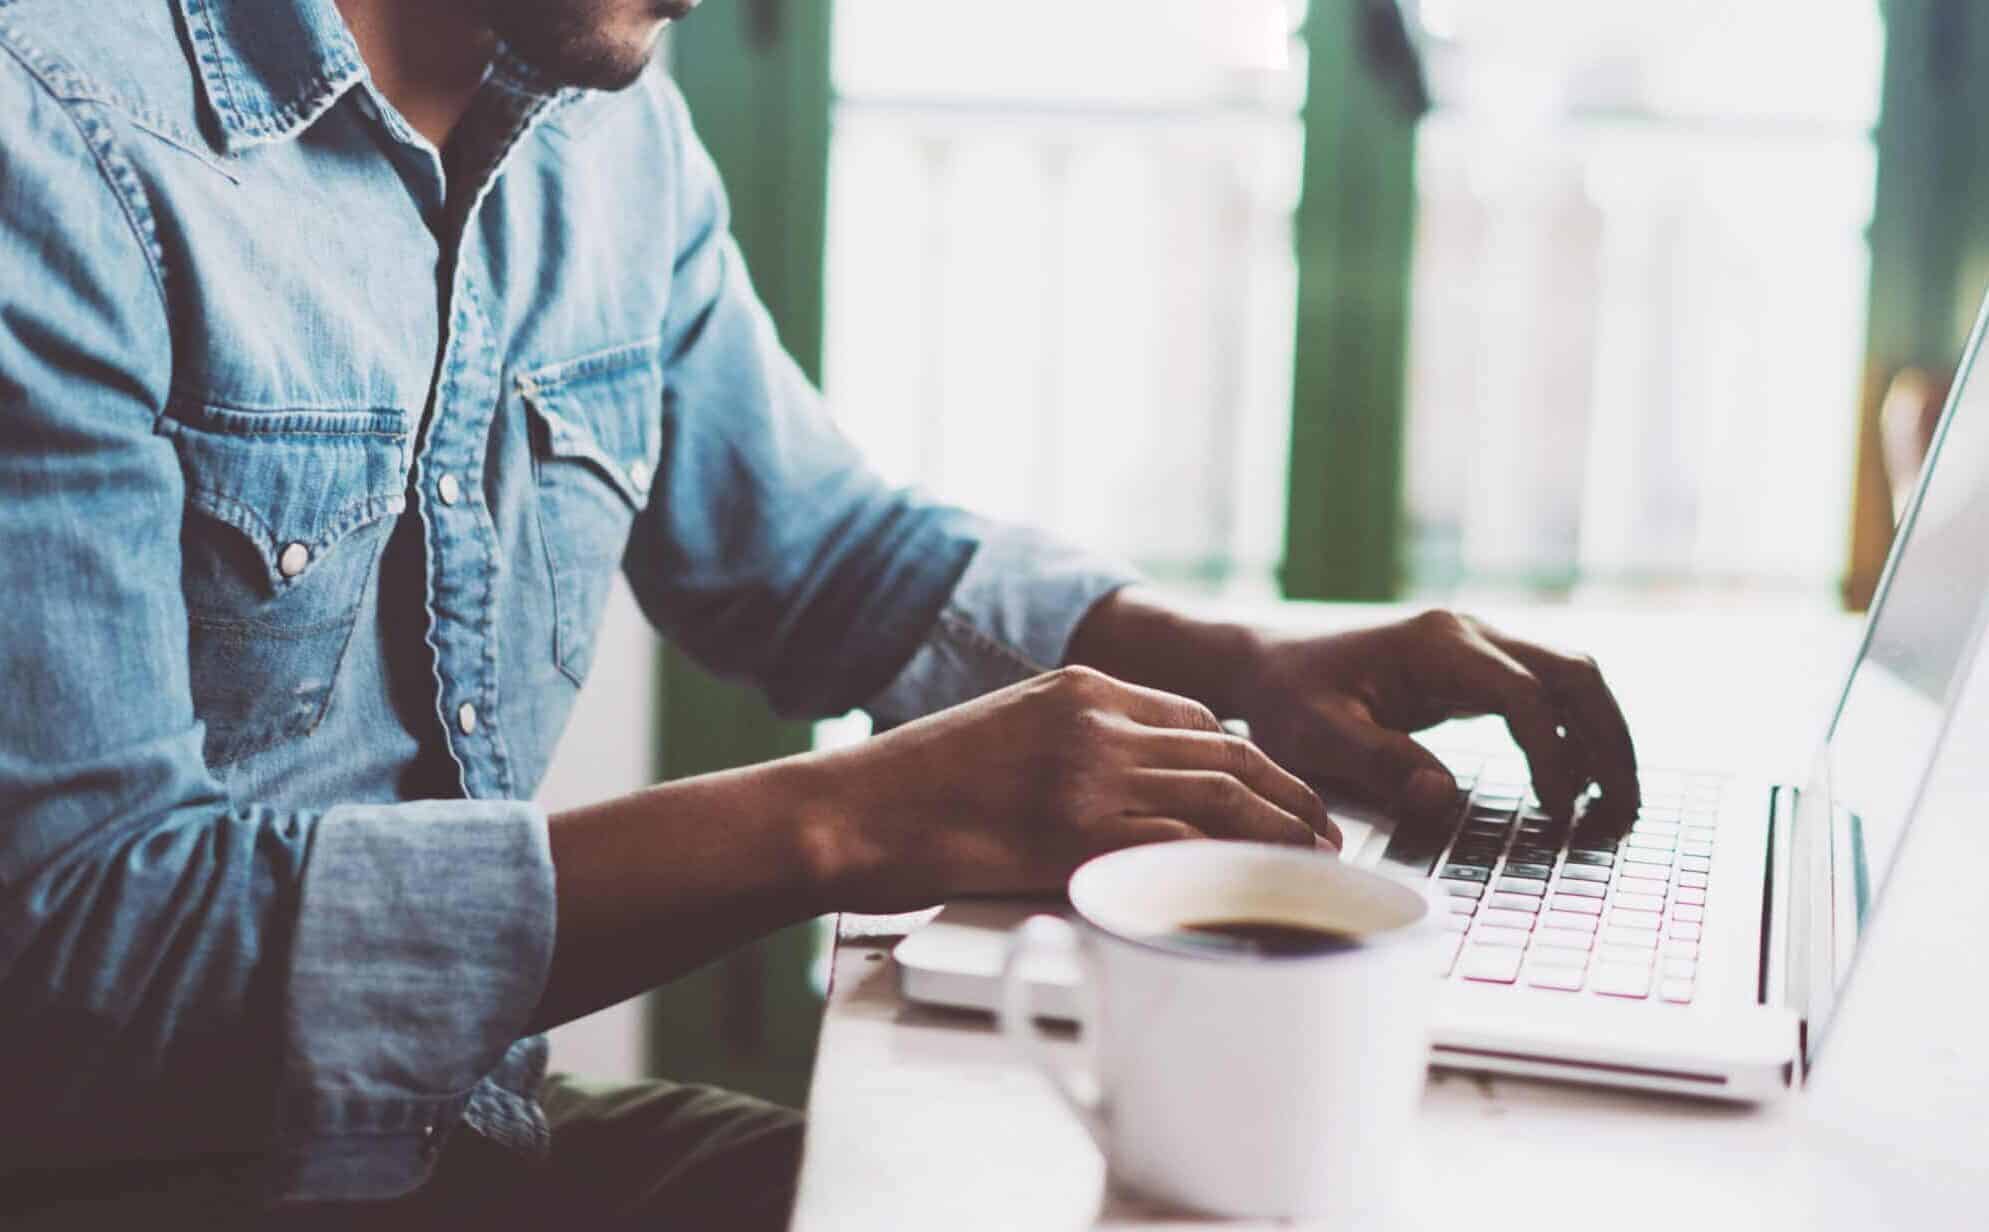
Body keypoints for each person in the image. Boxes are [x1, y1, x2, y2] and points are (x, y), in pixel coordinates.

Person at [0, 0, 1639, 1225]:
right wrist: (854, 823)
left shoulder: (602, 119)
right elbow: (80, 956)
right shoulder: (51, 142)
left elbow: (818, 556)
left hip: (459, 1138)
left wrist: (1244, 671)